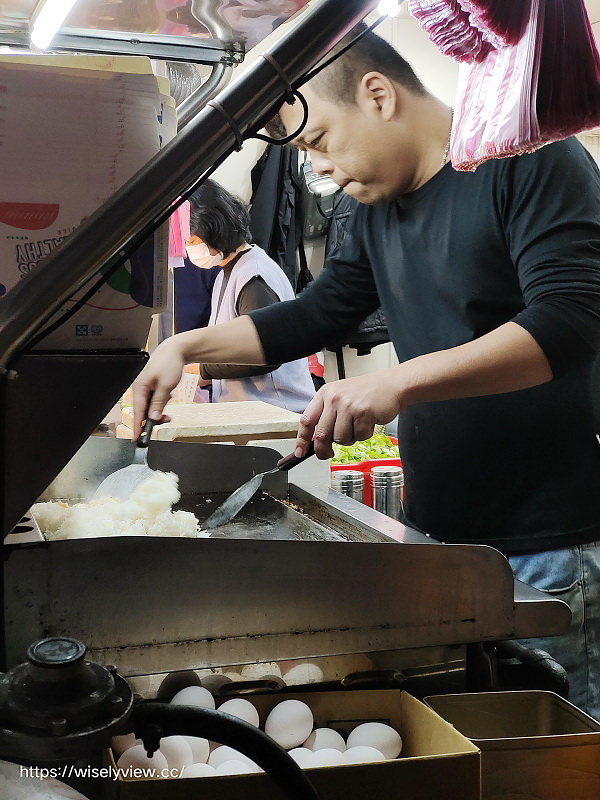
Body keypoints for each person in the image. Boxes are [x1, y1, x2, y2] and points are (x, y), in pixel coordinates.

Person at [133, 25, 600, 718]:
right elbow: (319, 313)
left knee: (553, 749)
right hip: (441, 536)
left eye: (319, 141)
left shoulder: (529, 160)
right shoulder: (370, 206)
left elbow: (571, 319)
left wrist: (397, 382)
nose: (320, 169)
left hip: (544, 544)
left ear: (377, 95)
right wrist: (186, 349)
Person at [180, 178, 314, 413]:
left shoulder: (254, 275)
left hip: (277, 412)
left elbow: (267, 352)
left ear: (214, 229)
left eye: (192, 241)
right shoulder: (226, 273)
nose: (189, 248)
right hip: (249, 413)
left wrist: (203, 370)